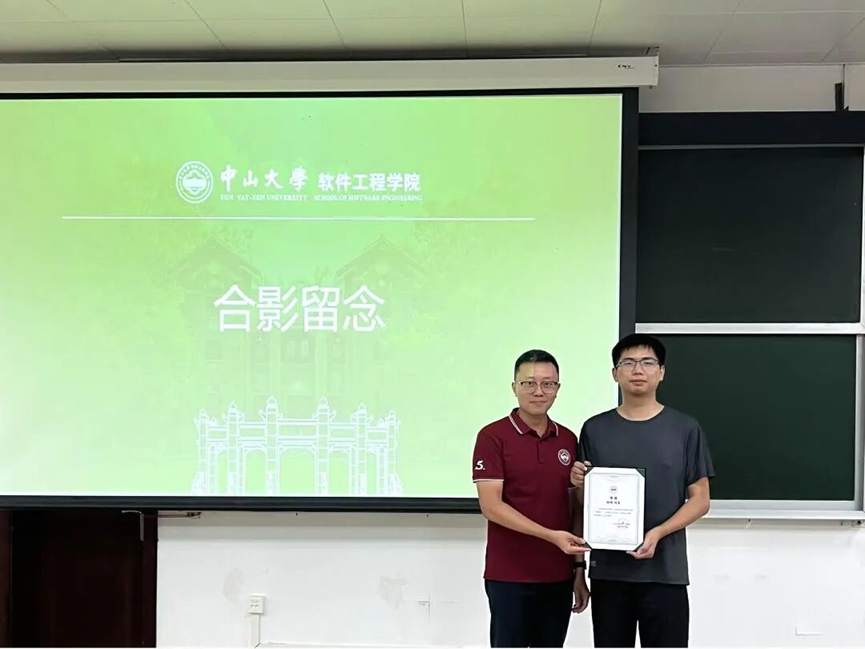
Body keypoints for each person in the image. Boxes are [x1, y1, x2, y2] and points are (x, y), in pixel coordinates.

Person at [571, 333, 714, 648]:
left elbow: (701, 499)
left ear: (661, 372)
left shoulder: (684, 428)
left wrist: (659, 532)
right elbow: (584, 504)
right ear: (615, 373)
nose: (638, 370)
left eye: (648, 362)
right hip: (609, 573)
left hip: (665, 572)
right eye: (629, 363)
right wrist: (580, 485)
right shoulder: (595, 429)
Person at [472, 349, 589, 648]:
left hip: (558, 576)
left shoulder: (568, 439)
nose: (539, 391)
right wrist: (551, 536)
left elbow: (574, 509)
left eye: (548, 384)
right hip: (509, 576)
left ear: (558, 388)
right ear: (514, 387)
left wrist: (579, 569)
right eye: (529, 383)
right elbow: (491, 507)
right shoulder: (492, 436)